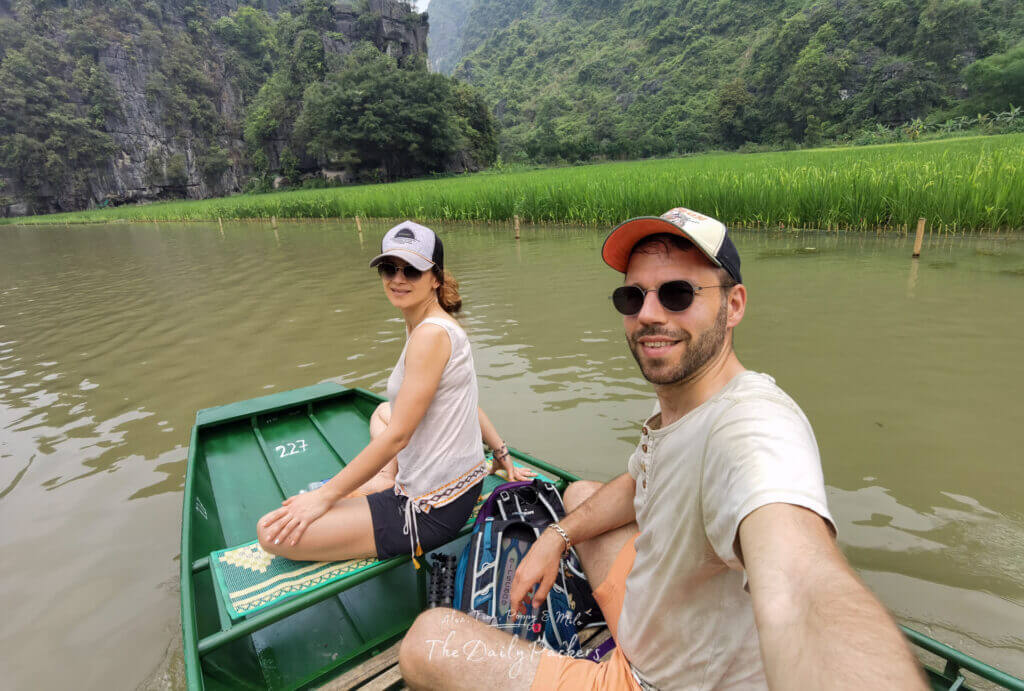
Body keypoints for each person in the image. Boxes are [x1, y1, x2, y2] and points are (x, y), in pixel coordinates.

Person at [398, 208, 927, 690]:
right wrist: (554, 537)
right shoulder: (686, 406)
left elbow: (799, 583)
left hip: (657, 682)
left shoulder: (751, 426)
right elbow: (640, 480)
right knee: (583, 493)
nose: (650, 314)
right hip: (664, 628)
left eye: (678, 294)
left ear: (733, 304)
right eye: (633, 297)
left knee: (427, 642)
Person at [257, 220, 532, 564]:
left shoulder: (430, 336)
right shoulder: (431, 323)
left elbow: (399, 437)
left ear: (435, 278)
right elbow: (466, 403)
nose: (397, 279)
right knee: (383, 412)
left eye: (411, 270)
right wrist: (501, 454)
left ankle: (387, 485)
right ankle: (386, 479)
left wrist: (324, 497)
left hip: (429, 508)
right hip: (464, 482)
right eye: (389, 268)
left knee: (270, 532)